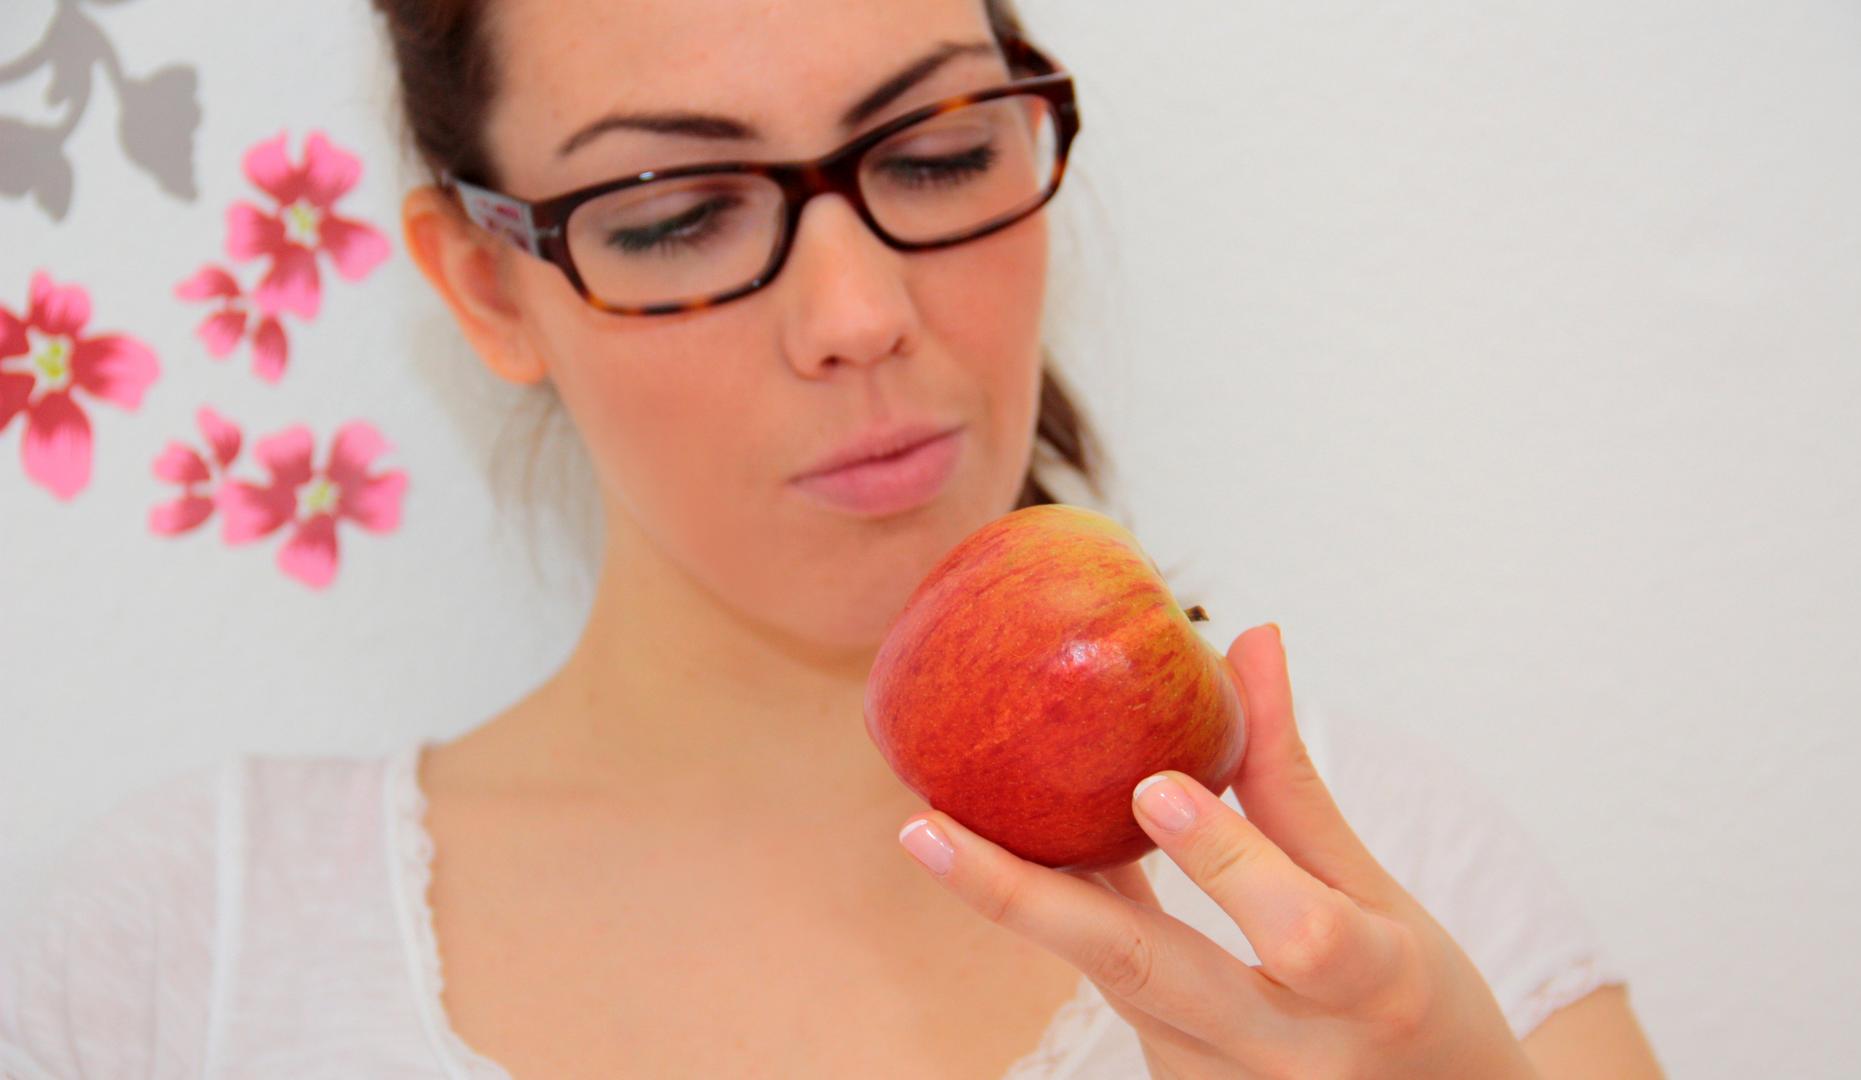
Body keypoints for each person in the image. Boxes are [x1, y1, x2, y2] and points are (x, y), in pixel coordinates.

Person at [0, 0, 1668, 1076]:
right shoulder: (178, 948)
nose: (861, 313)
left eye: (940, 154)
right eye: (672, 210)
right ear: (489, 286)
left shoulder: (1370, 918)